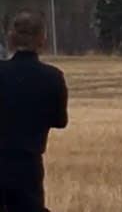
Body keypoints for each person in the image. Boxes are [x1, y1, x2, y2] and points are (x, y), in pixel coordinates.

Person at [0, 11, 69, 212]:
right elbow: (60, 121)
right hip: (28, 165)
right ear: (42, 40)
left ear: (11, 39)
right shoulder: (53, 77)